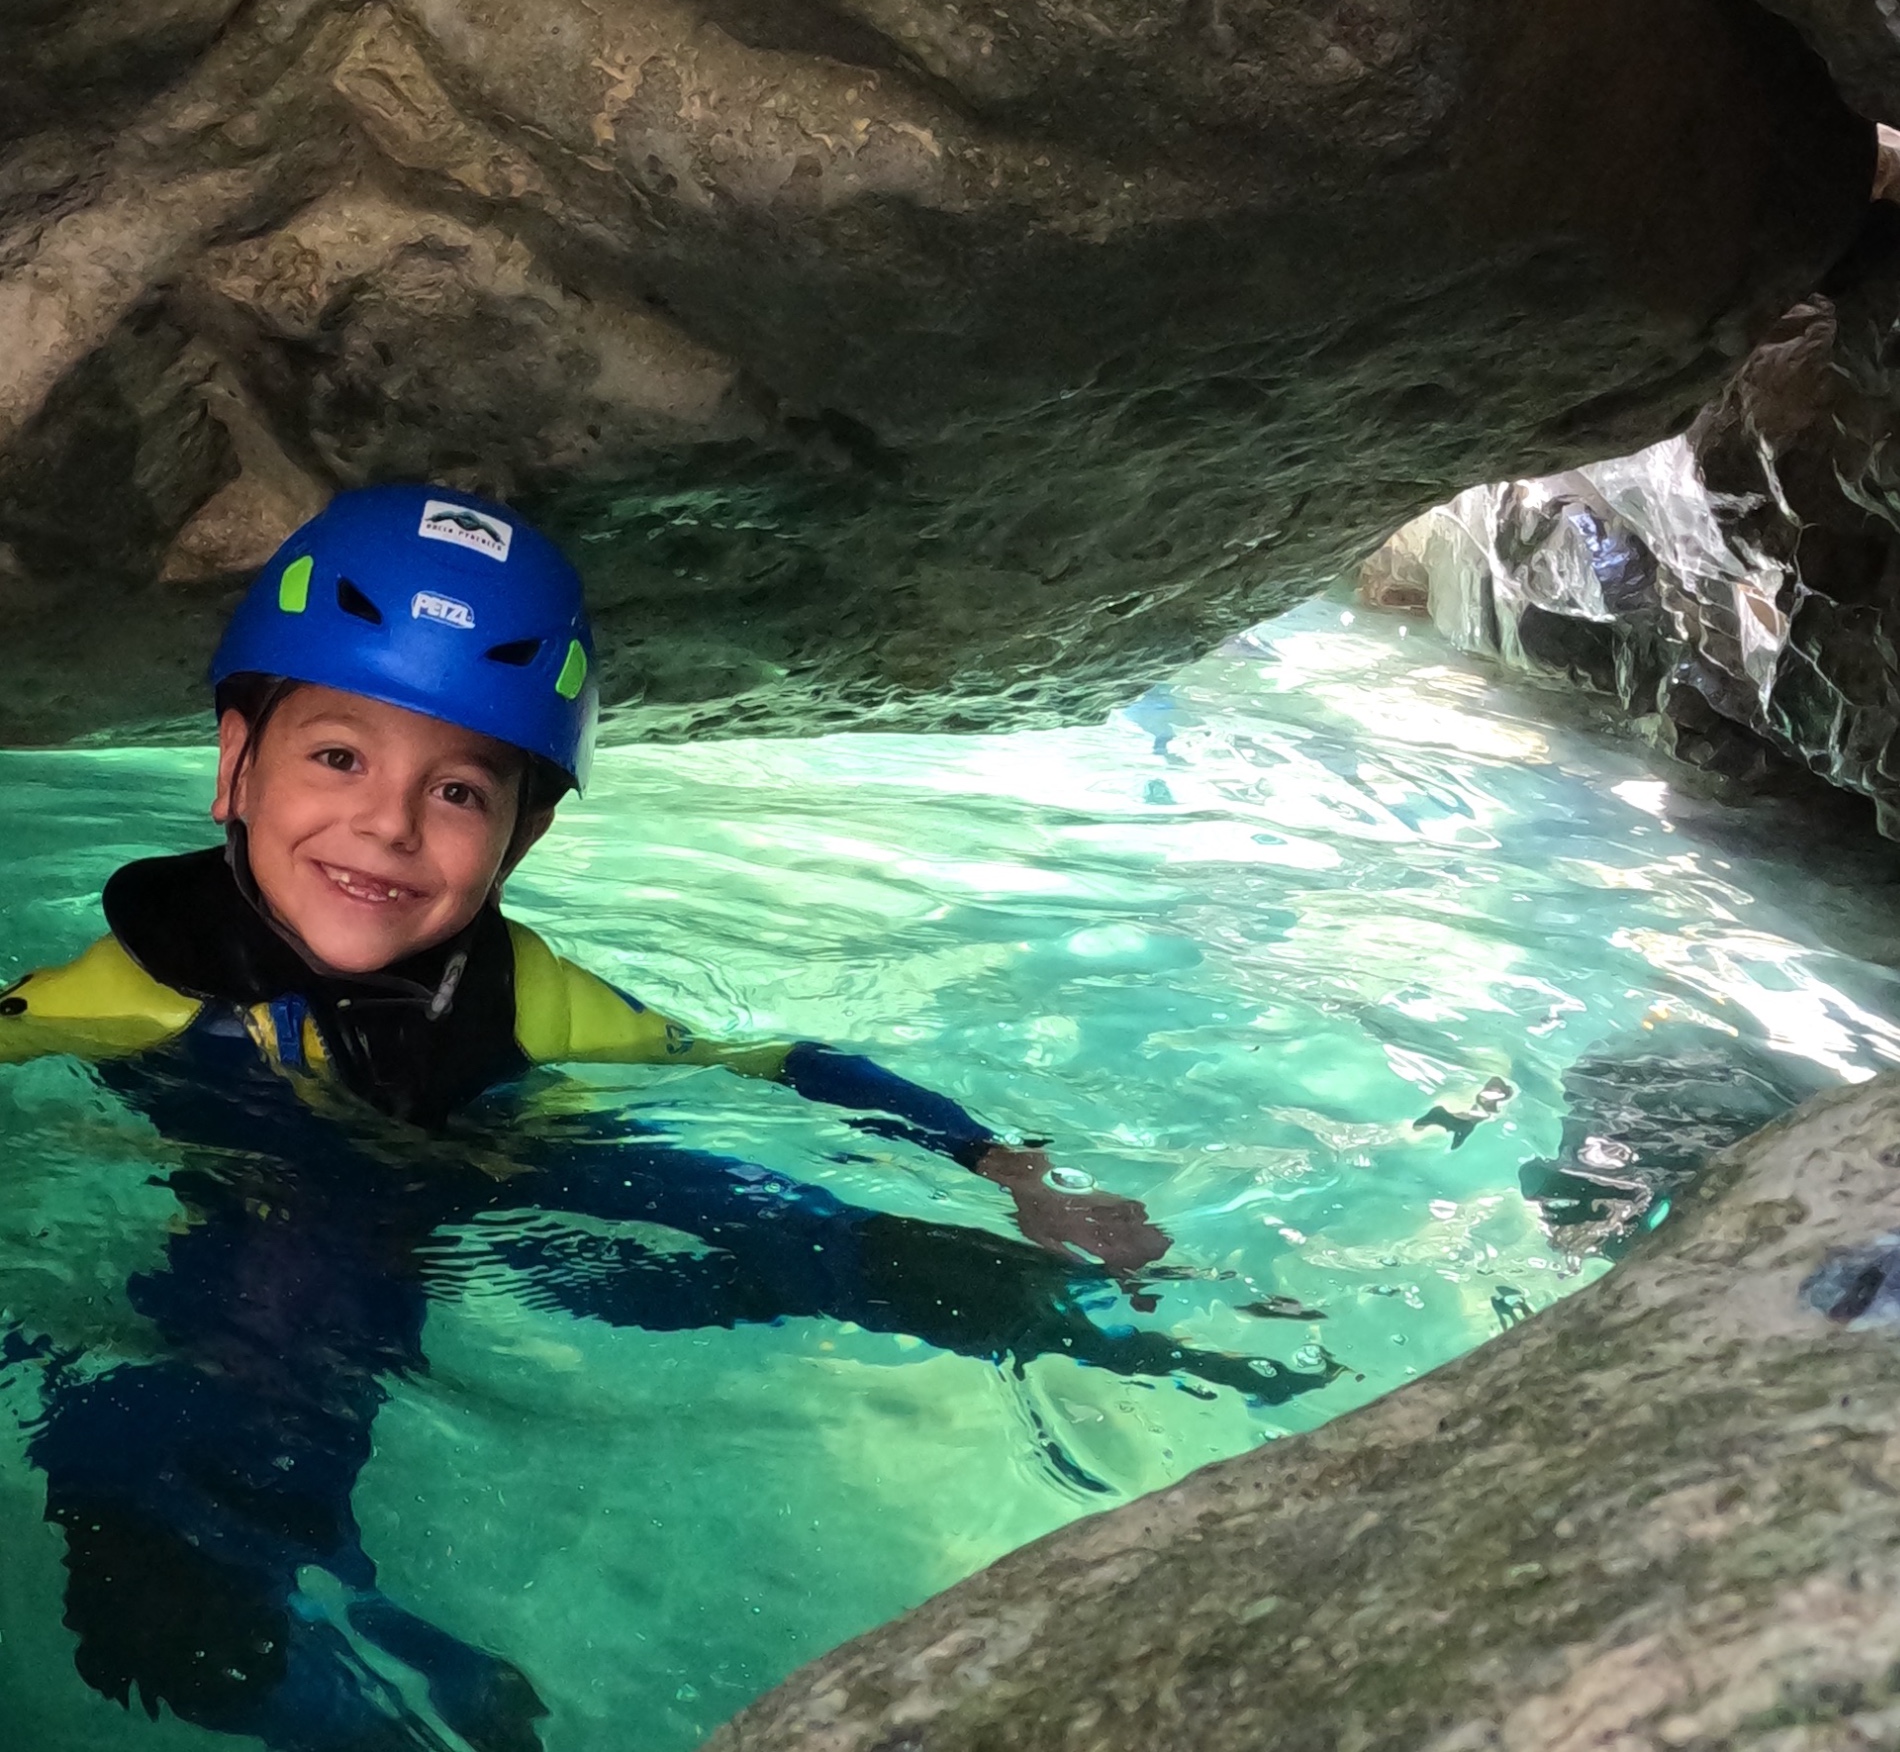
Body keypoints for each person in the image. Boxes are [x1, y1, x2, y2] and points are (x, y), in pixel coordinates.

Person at [0, 487, 1330, 1751]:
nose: (389, 823)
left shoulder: (524, 1001)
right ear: (235, 765)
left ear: (519, 837)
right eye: (337, 755)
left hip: (521, 1164)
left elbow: (775, 1060)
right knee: (156, 1573)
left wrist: (998, 1162)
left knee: (793, 1232)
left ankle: (1190, 1355)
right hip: (290, 1238)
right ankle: (379, 1702)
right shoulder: (138, 988)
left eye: (458, 790)